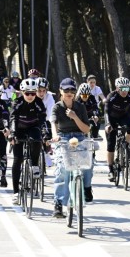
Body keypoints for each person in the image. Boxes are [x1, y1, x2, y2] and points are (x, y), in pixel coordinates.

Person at [50, 78, 92, 218]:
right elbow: (53, 123)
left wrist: (75, 117)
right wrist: (55, 136)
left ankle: (86, 188)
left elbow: (86, 129)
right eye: (66, 90)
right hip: (63, 137)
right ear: (60, 91)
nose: (69, 93)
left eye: (72, 90)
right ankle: (58, 203)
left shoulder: (80, 107)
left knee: (87, 163)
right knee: (63, 169)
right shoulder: (57, 106)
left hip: (79, 137)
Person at [9, 78, 46, 205]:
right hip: (19, 129)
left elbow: (42, 118)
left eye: (33, 93)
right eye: (27, 93)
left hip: (33, 127)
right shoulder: (17, 102)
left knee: (37, 139)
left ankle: (35, 165)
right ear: (22, 92)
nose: (30, 96)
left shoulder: (38, 102)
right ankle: (15, 192)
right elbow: (13, 118)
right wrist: (13, 134)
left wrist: (44, 131)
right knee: (17, 159)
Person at [104, 77, 130, 182]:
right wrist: (107, 124)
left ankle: (126, 144)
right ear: (117, 88)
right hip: (112, 118)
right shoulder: (112, 96)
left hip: (124, 117)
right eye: (122, 88)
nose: (124, 91)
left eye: (127, 88)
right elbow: (106, 112)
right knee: (111, 144)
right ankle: (110, 169)